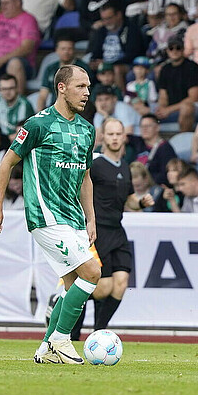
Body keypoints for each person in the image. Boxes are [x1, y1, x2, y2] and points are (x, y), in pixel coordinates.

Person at [0, 65, 99, 365]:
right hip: (45, 215)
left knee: (72, 281)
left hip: (74, 217)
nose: (87, 92)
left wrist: (91, 217)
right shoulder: (38, 124)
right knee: (92, 272)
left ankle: (47, 347)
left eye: (88, 87)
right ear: (61, 88)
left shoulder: (87, 129)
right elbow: (7, 163)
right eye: (80, 86)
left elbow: (85, 177)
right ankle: (62, 340)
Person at [69, 118, 153, 340]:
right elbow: (78, 189)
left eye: (119, 134)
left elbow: (129, 200)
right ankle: (65, 309)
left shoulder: (125, 167)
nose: (115, 138)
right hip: (97, 231)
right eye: (111, 134)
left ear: (124, 137)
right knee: (102, 288)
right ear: (103, 137)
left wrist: (141, 203)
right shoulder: (94, 163)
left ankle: (98, 333)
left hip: (117, 229)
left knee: (121, 283)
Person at [155, 36, 198, 132]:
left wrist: (168, 110)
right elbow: (163, 96)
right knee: (141, 108)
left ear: (183, 49)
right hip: (171, 110)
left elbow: (193, 98)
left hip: (193, 109)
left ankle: (182, 142)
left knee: (187, 108)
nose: (174, 51)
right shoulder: (165, 69)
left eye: (178, 48)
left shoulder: (193, 67)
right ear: (167, 51)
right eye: (171, 48)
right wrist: (162, 108)